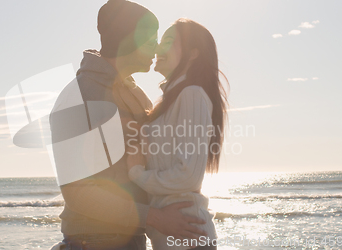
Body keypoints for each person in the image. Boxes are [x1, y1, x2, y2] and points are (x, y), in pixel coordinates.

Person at [50, 2, 208, 250]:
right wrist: (156, 218)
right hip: (94, 243)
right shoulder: (77, 97)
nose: (157, 47)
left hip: (134, 241)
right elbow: (77, 192)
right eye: (151, 38)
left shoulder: (137, 95)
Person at [126, 18, 229, 250]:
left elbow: (188, 175)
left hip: (189, 238)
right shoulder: (169, 100)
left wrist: (137, 174)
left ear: (193, 54)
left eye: (168, 42)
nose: (158, 48)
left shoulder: (192, 94)